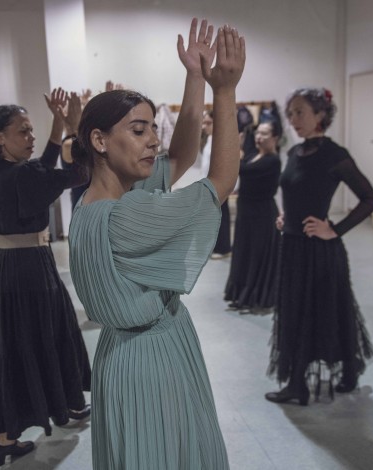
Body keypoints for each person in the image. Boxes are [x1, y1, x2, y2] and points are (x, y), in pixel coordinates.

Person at [67, 19, 245, 469]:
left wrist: (194, 77)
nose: (153, 141)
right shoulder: (127, 216)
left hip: (119, 357)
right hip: (152, 359)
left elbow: (181, 155)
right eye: (139, 130)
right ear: (99, 140)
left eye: (151, 129)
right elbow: (220, 180)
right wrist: (224, 92)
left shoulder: (93, 205)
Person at [0, 89, 91, 466]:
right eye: (23, 131)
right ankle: (42, 413)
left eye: (32, 129)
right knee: (40, 336)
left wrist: (57, 125)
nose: (31, 137)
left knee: (11, 343)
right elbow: (80, 172)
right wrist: (73, 128)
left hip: (0, 265)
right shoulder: (23, 175)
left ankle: (11, 429)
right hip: (27, 270)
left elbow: (41, 166)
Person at [266, 87, 373, 405]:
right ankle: (297, 381)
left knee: (325, 310)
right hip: (292, 247)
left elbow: (370, 200)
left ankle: (338, 374)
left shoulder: (335, 155)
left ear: (320, 115)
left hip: (319, 250)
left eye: (300, 112)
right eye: (290, 113)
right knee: (293, 312)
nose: (293, 119)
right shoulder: (292, 154)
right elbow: (297, 193)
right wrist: (287, 217)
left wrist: (335, 229)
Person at [224, 119, 281, 311]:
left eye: (264, 134)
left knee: (256, 254)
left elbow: (242, 170)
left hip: (262, 214)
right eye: (258, 133)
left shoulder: (272, 160)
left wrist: (237, 147)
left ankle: (254, 296)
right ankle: (241, 295)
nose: (259, 137)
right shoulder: (252, 155)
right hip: (246, 213)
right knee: (243, 252)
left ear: (275, 138)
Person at [201, 109, 232, 258]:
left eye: (208, 123)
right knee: (214, 216)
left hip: (218, 183)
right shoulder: (210, 139)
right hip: (210, 183)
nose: (204, 126)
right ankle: (216, 247)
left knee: (221, 215)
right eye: (204, 123)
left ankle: (223, 248)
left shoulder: (220, 141)